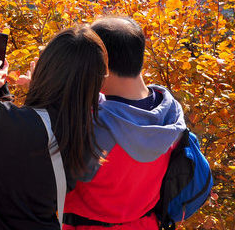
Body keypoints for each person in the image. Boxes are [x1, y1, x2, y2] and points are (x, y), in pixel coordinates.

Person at [0, 26, 108, 229]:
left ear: (47, 69)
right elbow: (34, 130)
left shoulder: (3, 121)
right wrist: (5, 91)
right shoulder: (88, 131)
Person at [62, 17, 187, 229]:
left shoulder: (92, 125)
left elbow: (56, 180)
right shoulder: (171, 113)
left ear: (100, 62)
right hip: (146, 223)